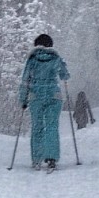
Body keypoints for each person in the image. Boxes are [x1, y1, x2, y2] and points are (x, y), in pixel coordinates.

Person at [17, 33, 70, 172]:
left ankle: (36, 159)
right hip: (54, 95)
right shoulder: (56, 58)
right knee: (52, 127)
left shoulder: (32, 59)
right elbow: (65, 75)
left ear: (37, 45)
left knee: (37, 127)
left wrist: (23, 99)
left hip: (36, 96)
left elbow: (25, 80)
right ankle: (51, 158)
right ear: (50, 45)